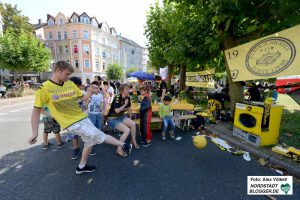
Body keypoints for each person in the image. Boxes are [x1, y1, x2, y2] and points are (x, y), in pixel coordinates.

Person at [28, 61, 132, 174]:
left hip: (82, 117)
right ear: (58, 71)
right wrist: (34, 133)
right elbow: (36, 110)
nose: (68, 77)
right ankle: (123, 145)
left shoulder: (70, 84)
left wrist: (91, 92)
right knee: (96, 134)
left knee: (90, 142)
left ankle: (81, 167)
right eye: (67, 74)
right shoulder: (44, 89)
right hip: (71, 123)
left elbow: (83, 98)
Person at [107, 84, 140, 157]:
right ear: (122, 90)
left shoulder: (127, 97)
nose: (129, 90)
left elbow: (129, 108)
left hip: (121, 117)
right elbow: (117, 110)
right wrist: (125, 104)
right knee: (127, 130)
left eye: (129, 89)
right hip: (112, 118)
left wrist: (130, 118)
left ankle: (134, 141)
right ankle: (119, 150)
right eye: (126, 89)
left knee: (133, 124)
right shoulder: (117, 97)